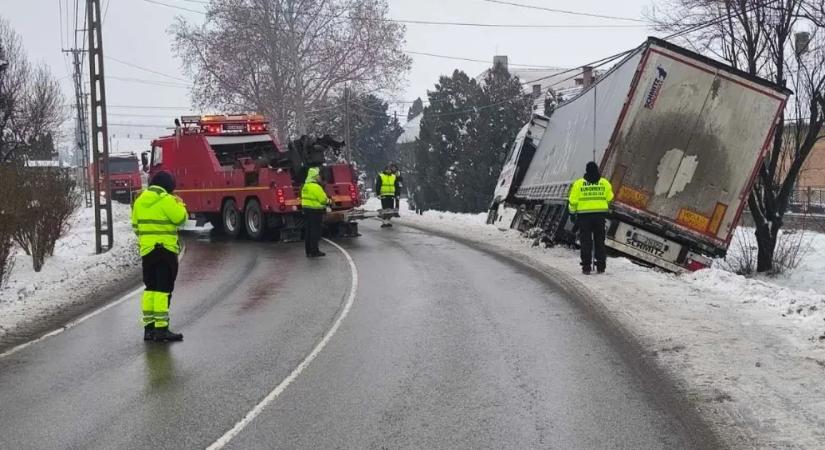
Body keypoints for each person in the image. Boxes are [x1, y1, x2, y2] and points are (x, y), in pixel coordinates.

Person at [132, 171, 188, 342]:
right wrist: (181, 205)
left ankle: (148, 330)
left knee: (150, 289)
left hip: (147, 251)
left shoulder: (139, 201)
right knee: (163, 291)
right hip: (165, 251)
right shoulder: (166, 200)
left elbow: (136, 227)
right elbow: (181, 219)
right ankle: (162, 330)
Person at [568, 161, 614, 275]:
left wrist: (572, 214)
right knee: (599, 241)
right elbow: (610, 198)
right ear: (597, 170)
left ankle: (586, 267)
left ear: (586, 170)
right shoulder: (605, 183)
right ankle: (601, 266)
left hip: (584, 218)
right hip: (599, 217)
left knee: (586, 242)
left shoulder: (578, 184)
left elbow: (573, 201)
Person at [302, 166, 330, 257]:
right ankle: (315, 251)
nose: (319, 177)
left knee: (308, 231)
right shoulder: (316, 187)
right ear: (314, 176)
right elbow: (323, 200)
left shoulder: (305, 186)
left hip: (306, 210)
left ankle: (308, 251)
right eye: (318, 176)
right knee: (315, 231)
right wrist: (330, 201)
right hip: (315, 211)